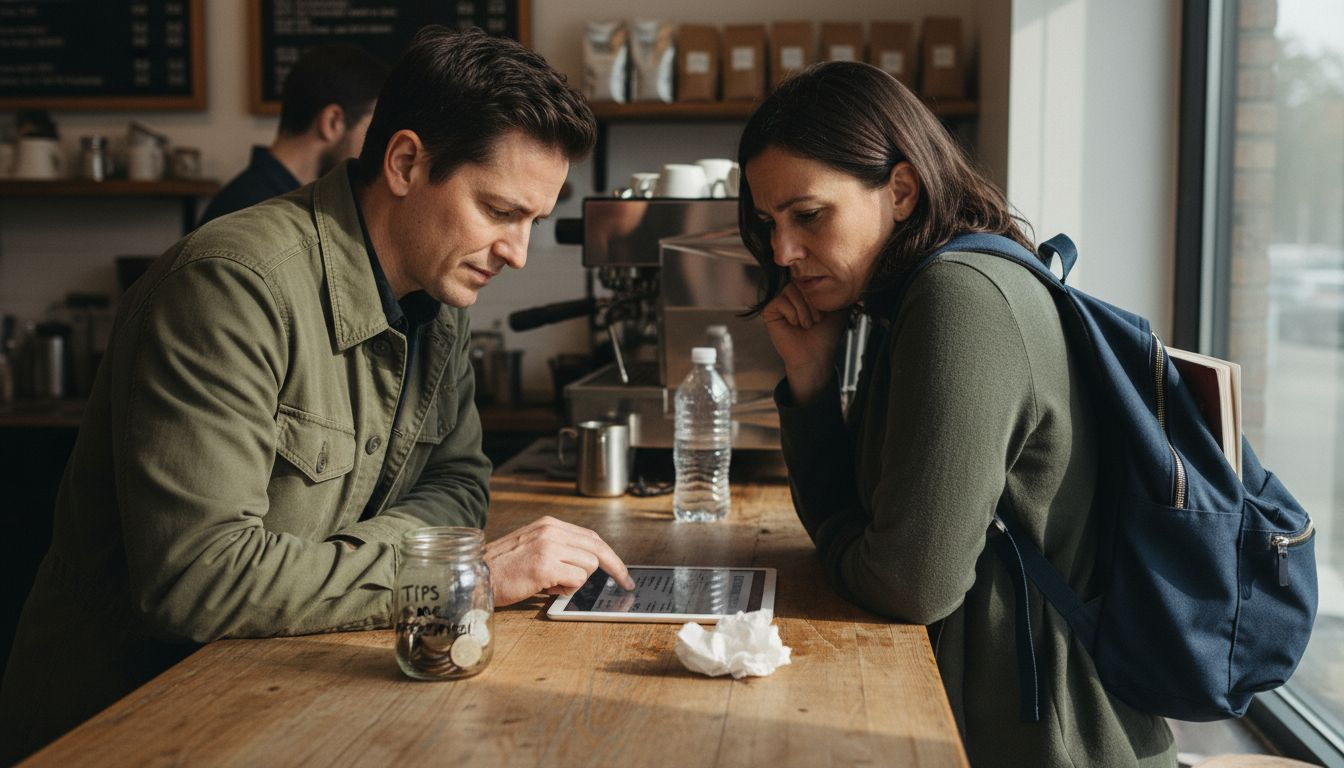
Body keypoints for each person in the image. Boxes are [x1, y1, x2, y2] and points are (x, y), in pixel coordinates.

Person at [0, 27, 634, 762]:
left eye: (532, 220)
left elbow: (459, 485)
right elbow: (199, 580)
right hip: (124, 726)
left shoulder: (441, 299)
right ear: (404, 162)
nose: (518, 254)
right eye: (499, 212)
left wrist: (337, 566)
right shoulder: (231, 288)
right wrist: (465, 576)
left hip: (280, 695)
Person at [739, 61, 1176, 767]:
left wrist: (857, 543)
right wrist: (812, 383)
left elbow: (910, 582)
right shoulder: (917, 296)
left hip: (1045, 742)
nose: (784, 252)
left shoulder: (960, 299)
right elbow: (873, 529)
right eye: (770, 224)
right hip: (986, 716)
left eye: (809, 215)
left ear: (901, 190)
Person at [197, 44, 389, 225]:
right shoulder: (256, 213)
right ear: (333, 122)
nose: (376, 144)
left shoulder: (268, 197)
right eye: (371, 126)